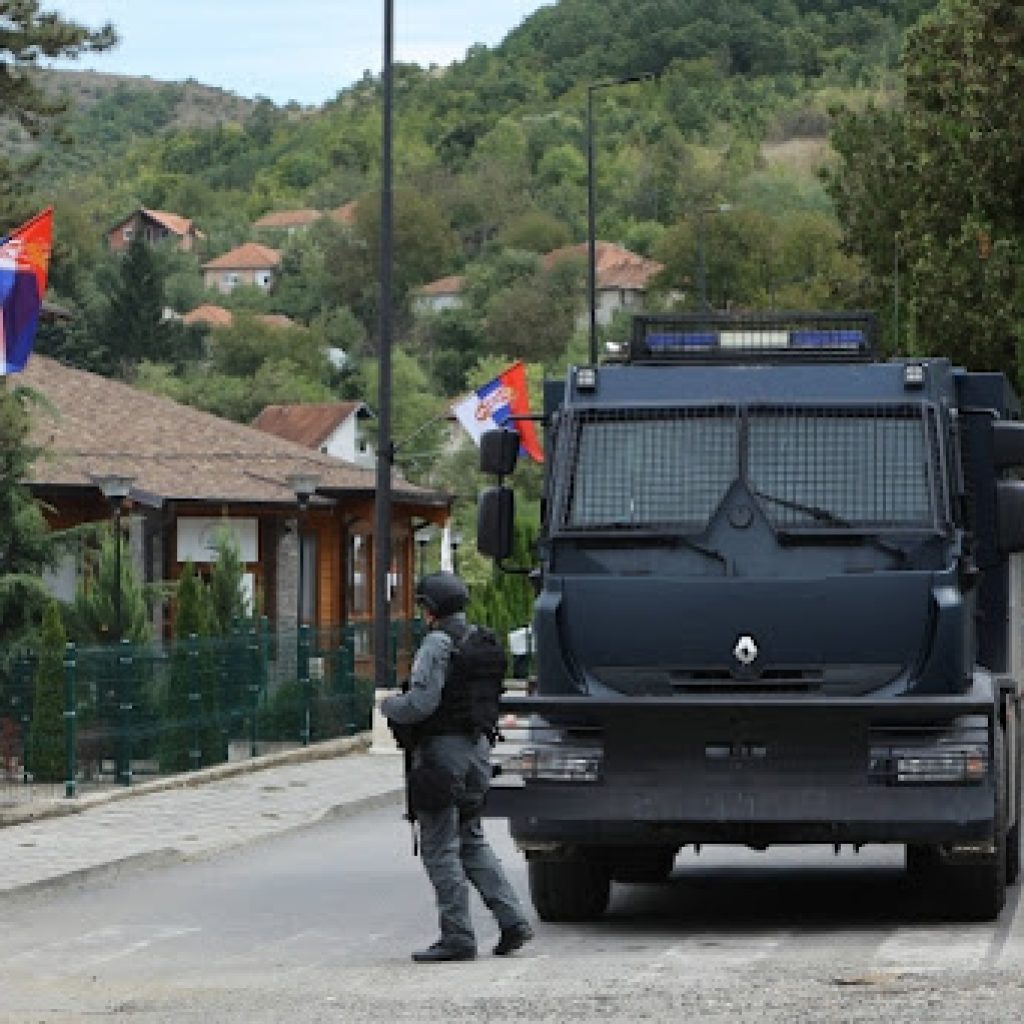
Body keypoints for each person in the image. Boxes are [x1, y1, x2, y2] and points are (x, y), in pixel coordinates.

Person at [381, 570, 534, 963]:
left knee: (439, 849)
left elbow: (421, 704)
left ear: (430, 609)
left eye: (421, 606)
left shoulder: (437, 644)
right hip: (478, 754)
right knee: (472, 839)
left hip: (441, 759)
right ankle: (513, 920)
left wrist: (387, 705)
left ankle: (458, 937)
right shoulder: (479, 640)